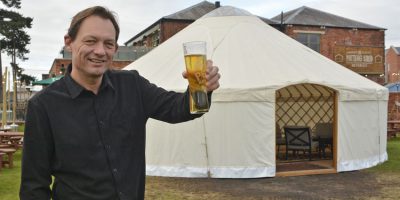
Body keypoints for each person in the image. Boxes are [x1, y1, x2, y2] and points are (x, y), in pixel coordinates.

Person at [19, 6, 220, 200]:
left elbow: (178, 109)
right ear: (69, 42)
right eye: (91, 41)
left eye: (108, 44)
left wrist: (201, 89)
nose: (100, 51)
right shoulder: (43, 105)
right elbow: (34, 187)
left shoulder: (132, 85)